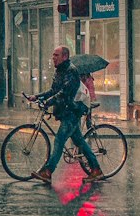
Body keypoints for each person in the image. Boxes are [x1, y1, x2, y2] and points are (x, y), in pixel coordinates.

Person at [29, 45, 103, 185]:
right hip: (66, 111)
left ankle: (48, 172)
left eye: (56, 55)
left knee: (59, 140)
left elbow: (64, 94)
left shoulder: (71, 72)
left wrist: (47, 103)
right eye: (53, 55)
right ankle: (96, 170)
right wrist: (37, 97)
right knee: (79, 141)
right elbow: (53, 90)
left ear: (65, 57)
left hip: (73, 111)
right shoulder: (59, 71)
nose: (53, 58)